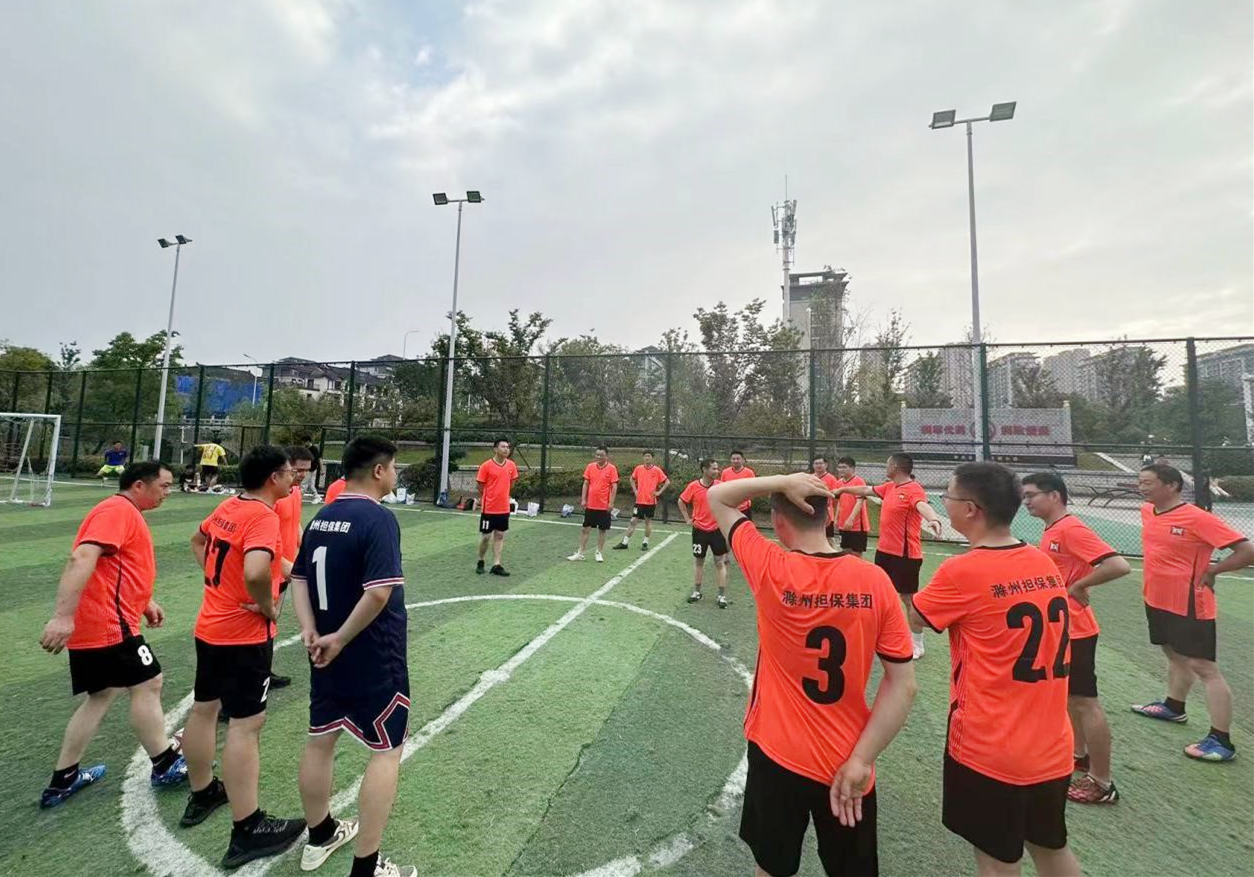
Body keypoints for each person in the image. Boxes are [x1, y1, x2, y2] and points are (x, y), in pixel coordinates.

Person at [707, 471, 917, 877]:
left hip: (776, 752)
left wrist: (782, 480)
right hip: (848, 760)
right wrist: (862, 760)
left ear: (778, 521)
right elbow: (903, 686)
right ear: (829, 516)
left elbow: (718, 496)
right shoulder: (876, 581)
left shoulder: (770, 566)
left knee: (771, 866)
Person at [910, 463, 1082, 877]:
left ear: (970, 509)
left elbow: (917, 617)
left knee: (996, 860)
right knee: (1050, 847)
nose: (943, 503)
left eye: (948, 497)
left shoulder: (963, 571)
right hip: (1052, 745)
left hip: (991, 747)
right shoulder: (1040, 560)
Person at [291, 436, 416, 877]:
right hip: (371, 655)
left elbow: (299, 578)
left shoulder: (322, 516)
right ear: (379, 471)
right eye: (394, 466)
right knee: (387, 751)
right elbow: (379, 592)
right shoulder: (378, 519)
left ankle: (321, 835)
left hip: (324, 652)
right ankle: (366, 868)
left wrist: (310, 629)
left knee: (321, 739)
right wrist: (341, 638)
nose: (395, 474)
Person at [181, 445, 305, 869]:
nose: (294, 479)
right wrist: (268, 606)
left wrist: (222, 584)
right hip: (243, 635)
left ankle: (203, 792)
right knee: (245, 725)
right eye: (289, 473)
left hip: (210, 627)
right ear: (273, 477)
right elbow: (254, 571)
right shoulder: (263, 516)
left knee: (204, 710)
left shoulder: (230, 506)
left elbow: (199, 541)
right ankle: (248, 826)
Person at [38, 461, 187, 808]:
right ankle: (165, 763)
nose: (168, 493)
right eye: (164, 486)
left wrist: (144, 601)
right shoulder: (117, 510)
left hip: (104, 620)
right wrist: (62, 616)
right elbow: (82, 557)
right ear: (139, 485)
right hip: (108, 623)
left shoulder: (123, 512)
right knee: (149, 682)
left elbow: (113, 567)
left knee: (103, 694)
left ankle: (63, 779)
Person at [1130, 463, 1253, 762]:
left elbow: (1247, 551)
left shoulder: (1197, 518)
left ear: (1172, 485)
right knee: (1173, 653)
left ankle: (1221, 740)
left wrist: (1214, 570)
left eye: (1148, 482)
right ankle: (1174, 707)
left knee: (1204, 667)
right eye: (1140, 482)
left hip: (1190, 603)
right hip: (1156, 598)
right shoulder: (1147, 511)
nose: (1141, 487)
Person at [1022, 472, 1131, 805]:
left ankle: (1102, 782)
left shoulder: (1070, 529)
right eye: (1024, 496)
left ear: (1054, 495)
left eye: (1031, 495)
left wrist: (1079, 585)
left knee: (1085, 702)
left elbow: (1118, 565)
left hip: (1078, 629)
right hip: (1063, 627)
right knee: (1070, 697)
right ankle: (1079, 754)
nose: (1026, 501)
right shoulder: (1053, 529)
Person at [834, 453, 944, 659]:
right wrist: (842, 489)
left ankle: (917, 643)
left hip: (905, 555)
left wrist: (934, 519)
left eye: (887, 464)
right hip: (884, 553)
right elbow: (865, 490)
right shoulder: (889, 487)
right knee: (879, 593)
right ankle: (878, 634)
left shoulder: (913, 489)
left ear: (895, 466)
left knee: (908, 598)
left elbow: (922, 505)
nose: (885, 467)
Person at [269, 445, 317, 691]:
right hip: (271, 570)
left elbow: (294, 523)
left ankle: (262, 672)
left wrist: (304, 551)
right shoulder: (274, 496)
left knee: (270, 623)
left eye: (306, 471)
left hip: (285, 569)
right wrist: (287, 566)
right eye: (297, 470)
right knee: (259, 625)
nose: (302, 475)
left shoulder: (294, 491)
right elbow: (265, 538)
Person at [678, 458, 730, 608]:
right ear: (704, 469)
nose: (716, 471)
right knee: (699, 561)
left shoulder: (720, 486)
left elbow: (730, 502)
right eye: (713, 468)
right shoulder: (693, 486)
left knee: (719, 562)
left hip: (717, 531)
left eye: (717, 468)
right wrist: (687, 519)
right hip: (699, 531)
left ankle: (721, 596)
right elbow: (681, 501)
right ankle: (697, 592)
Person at [567, 446, 619, 563]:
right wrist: (583, 499)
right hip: (591, 505)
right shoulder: (590, 467)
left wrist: (611, 502)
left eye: (601, 455)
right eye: (597, 455)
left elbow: (614, 486)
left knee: (602, 530)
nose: (598, 457)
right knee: (585, 529)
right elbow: (586, 483)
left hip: (604, 506)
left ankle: (599, 553)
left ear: (606, 456)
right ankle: (580, 553)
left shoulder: (612, 468)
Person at [476, 438, 519, 576]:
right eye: (503, 446)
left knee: (500, 535)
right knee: (486, 537)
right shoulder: (486, 466)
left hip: (503, 508)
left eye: (508, 447)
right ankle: (481, 560)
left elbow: (512, 483)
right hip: (488, 508)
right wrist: (488, 497)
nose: (506, 449)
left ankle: (496, 564)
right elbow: (480, 486)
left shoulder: (511, 465)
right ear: (495, 449)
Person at [614, 450, 670, 551]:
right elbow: (632, 479)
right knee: (633, 521)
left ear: (652, 458)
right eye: (645, 456)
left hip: (650, 502)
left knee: (648, 521)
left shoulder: (657, 470)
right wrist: (635, 490)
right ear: (643, 458)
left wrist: (659, 492)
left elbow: (667, 482)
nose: (647, 458)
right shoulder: (638, 469)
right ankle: (625, 542)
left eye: (649, 456)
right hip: (639, 501)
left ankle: (645, 542)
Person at [835, 456, 870, 558]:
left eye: (844, 467)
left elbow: (859, 502)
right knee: (845, 553)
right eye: (840, 467)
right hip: (843, 524)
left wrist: (851, 519)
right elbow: (840, 502)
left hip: (857, 525)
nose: (841, 470)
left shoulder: (859, 481)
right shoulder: (839, 483)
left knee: (856, 554)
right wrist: (837, 518)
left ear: (853, 468)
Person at [812, 456, 841, 548]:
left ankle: (832, 554)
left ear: (826, 465)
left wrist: (832, 510)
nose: (818, 465)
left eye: (821, 463)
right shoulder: (810, 478)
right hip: (812, 513)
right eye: (816, 463)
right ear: (813, 465)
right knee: (813, 537)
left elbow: (836, 499)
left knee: (829, 539)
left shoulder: (831, 479)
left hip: (826, 514)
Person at [719, 450, 757, 519]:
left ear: (743, 460)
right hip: (729, 507)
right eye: (733, 459)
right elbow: (722, 488)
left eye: (738, 459)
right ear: (730, 460)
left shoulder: (749, 473)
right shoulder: (725, 472)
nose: (735, 461)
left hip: (744, 508)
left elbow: (753, 489)